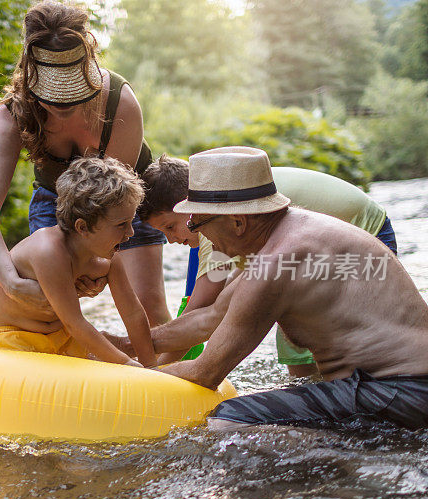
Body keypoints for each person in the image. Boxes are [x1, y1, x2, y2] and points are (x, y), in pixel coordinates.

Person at [141, 146, 428, 430]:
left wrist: (138, 375)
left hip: (401, 393)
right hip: (401, 387)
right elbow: (212, 316)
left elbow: (206, 372)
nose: (196, 231)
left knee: (228, 419)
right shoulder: (291, 235)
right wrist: (126, 344)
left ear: (238, 222)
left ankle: (339, 464)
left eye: (198, 221)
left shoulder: (274, 264)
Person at [0, 0, 171, 332]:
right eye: (51, 95)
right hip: (57, 203)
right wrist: (10, 282)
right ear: (31, 77)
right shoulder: (12, 114)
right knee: (48, 312)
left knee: (147, 305)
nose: (61, 104)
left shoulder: (120, 101)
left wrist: (101, 265)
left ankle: (170, 374)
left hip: (127, 201)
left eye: (72, 95)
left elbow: (114, 204)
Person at [136, 155, 399, 376]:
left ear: (188, 206)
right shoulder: (223, 205)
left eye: (170, 227)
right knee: (295, 340)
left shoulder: (211, 219)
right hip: (342, 232)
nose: (171, 240)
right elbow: (213, 312)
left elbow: (204, 312)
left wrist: (153, 370)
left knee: (313, 335)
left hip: (366, 232)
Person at [0, 157, 155, 368]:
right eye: (122, 225)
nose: (130, 233)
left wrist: (150, 367)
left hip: (63, 337)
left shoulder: (109, 258)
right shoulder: (49, 251)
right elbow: (74, 323)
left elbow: (133, 313)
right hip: (14, 338)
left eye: (131, 222)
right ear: (82, 227)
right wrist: (128, 364)